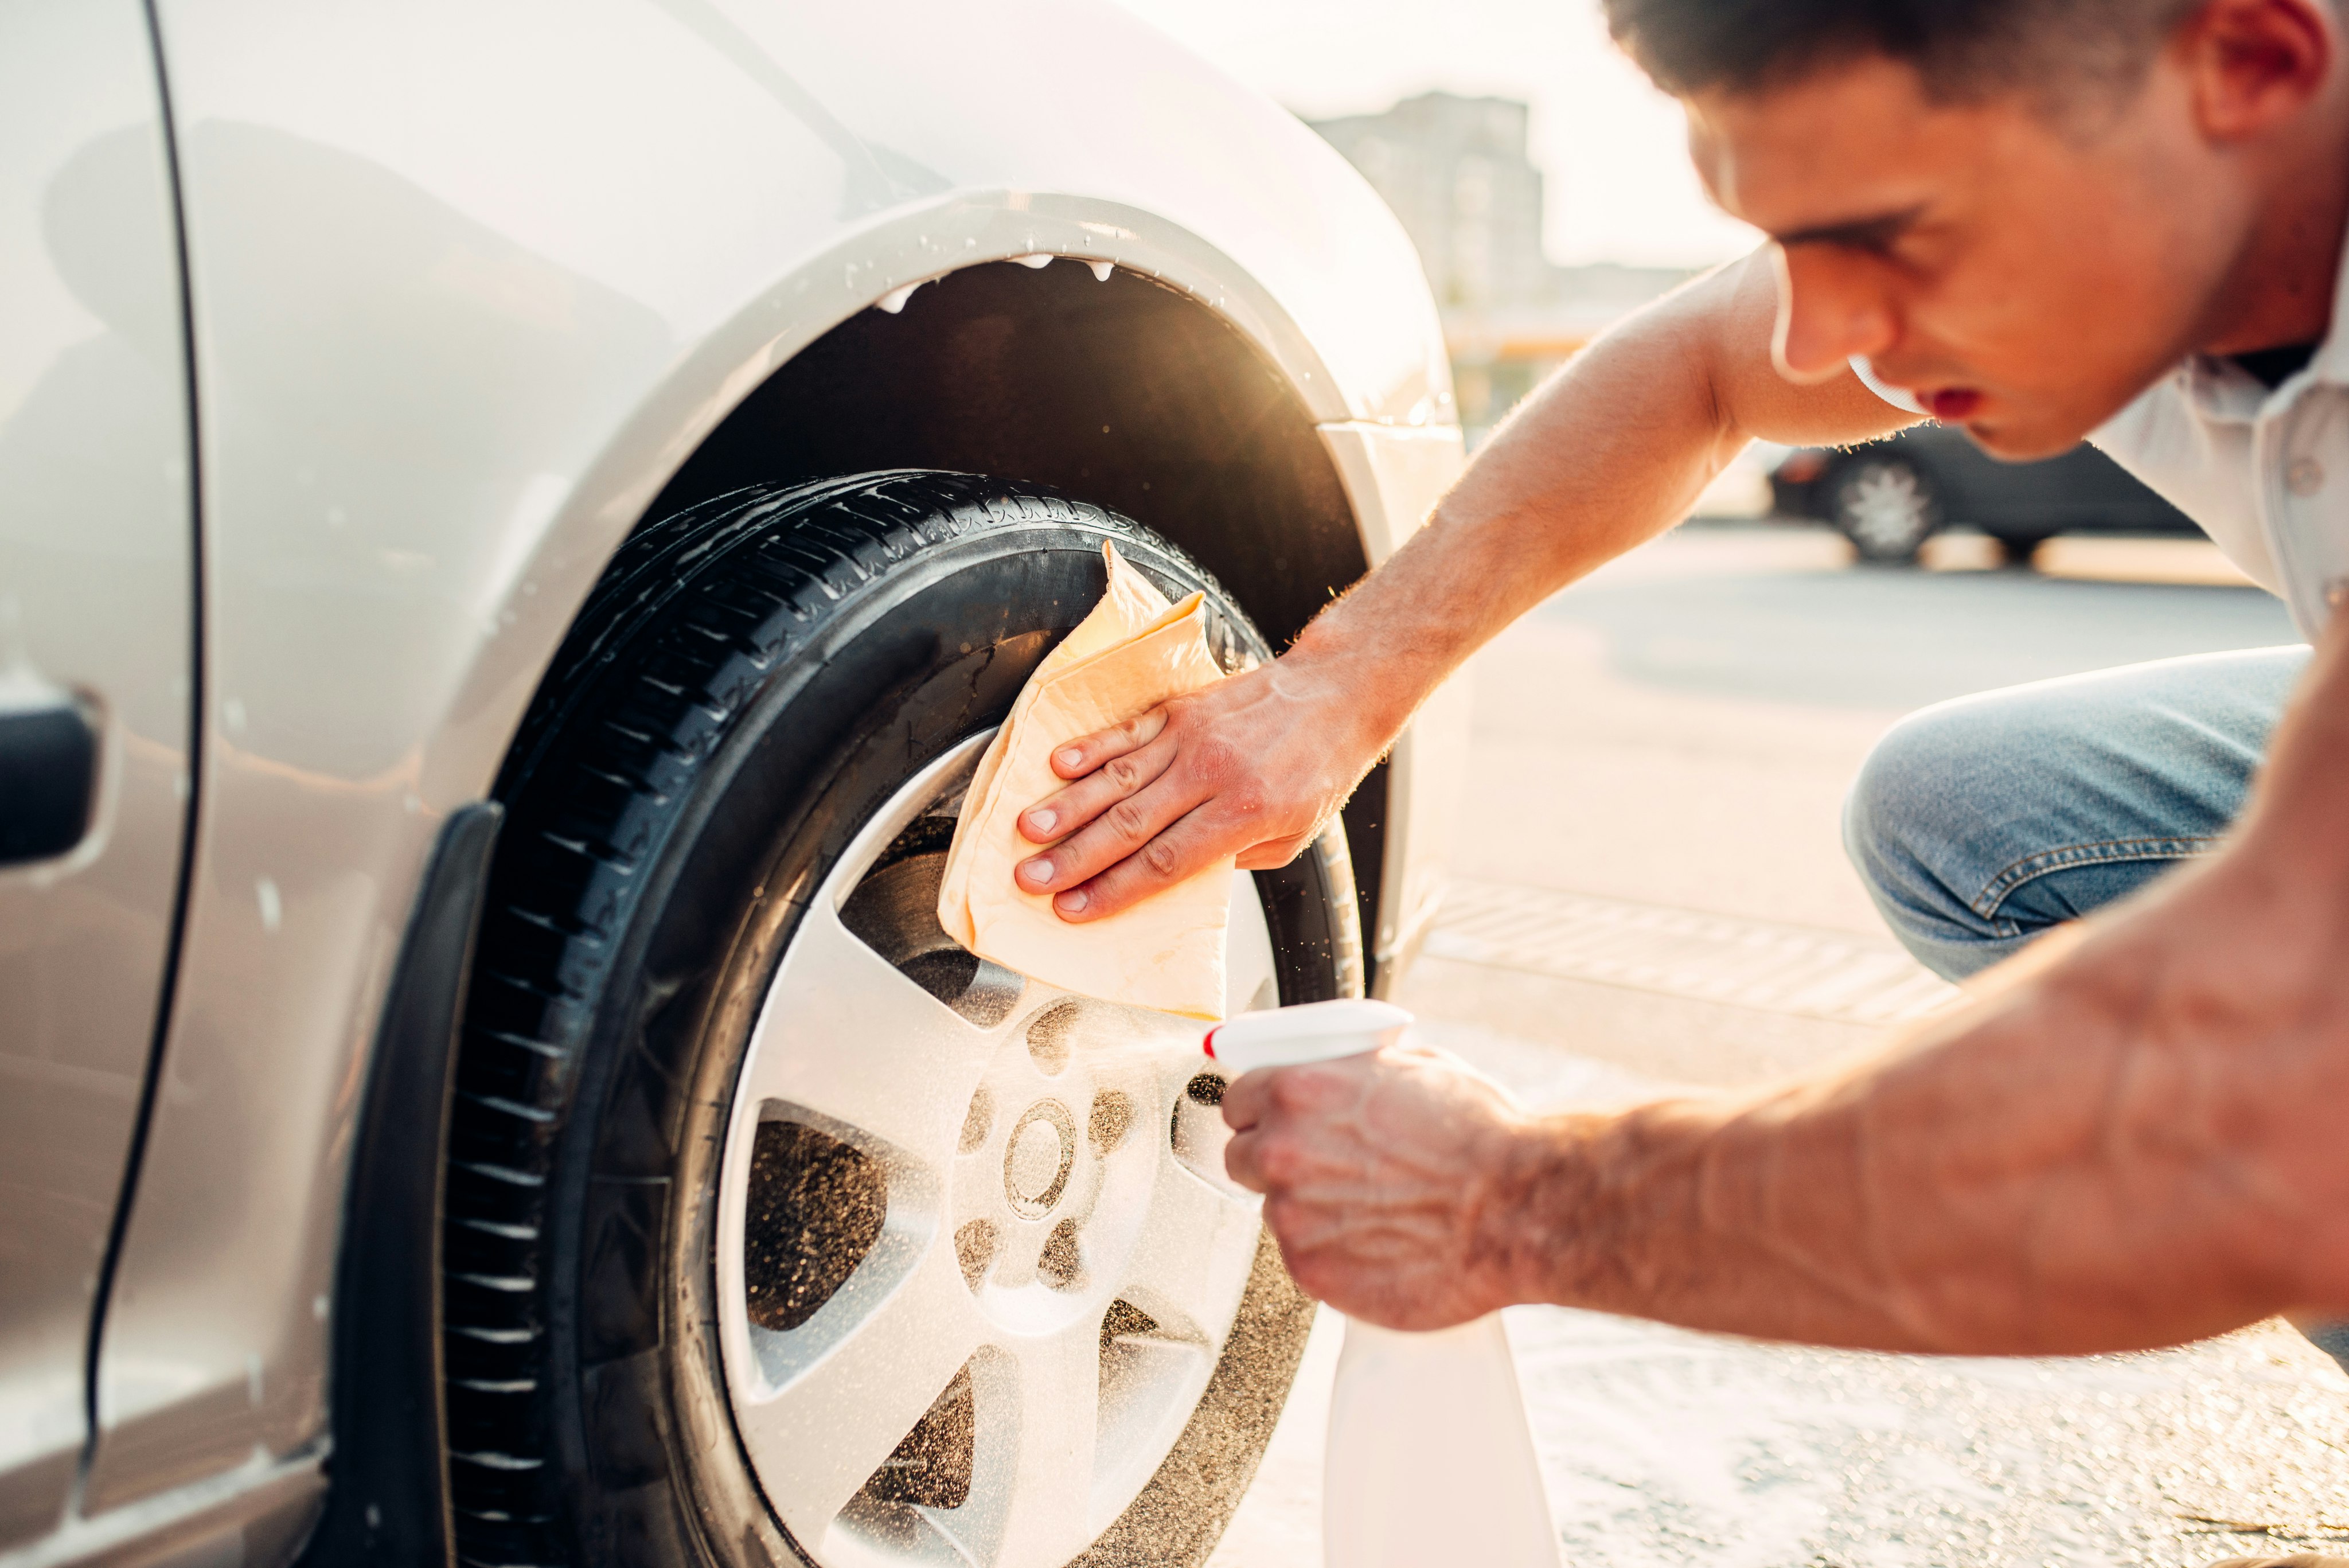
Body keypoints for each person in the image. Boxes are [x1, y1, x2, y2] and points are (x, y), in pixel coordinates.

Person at [1010, 2, 2349, 1555]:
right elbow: (1704, 369)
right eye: (1794, 242)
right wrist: (1334, 688)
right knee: (1974, 816)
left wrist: (1509, 1203)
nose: (1823, 342)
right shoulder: (2161, 196)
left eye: (1897, 236)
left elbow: (2267, 1116)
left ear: (2249, 64)